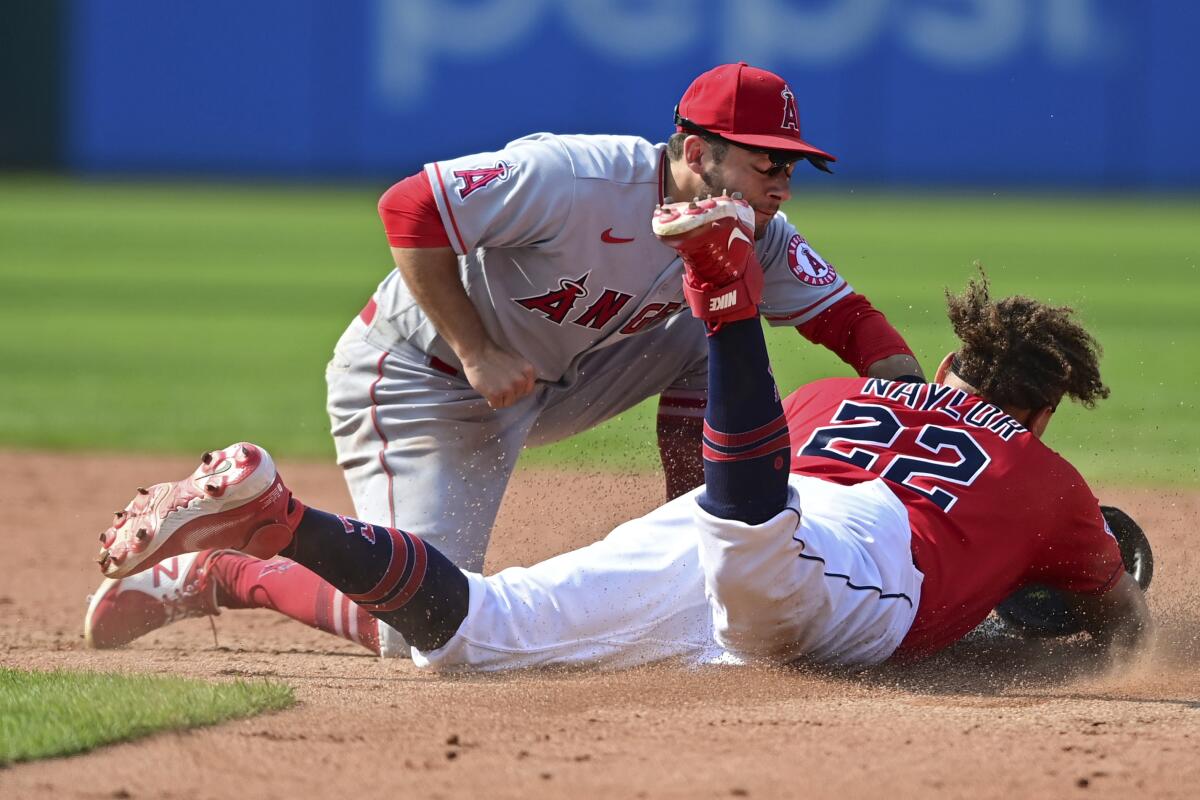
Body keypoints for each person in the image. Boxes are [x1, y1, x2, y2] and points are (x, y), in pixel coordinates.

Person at [86, 195, 1148, 669]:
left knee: (470, 633)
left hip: (737, 512)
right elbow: (1117, 619)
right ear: (1044, 411)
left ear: (954, 365)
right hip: (836, 555)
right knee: (753, 545)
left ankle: (266, 529)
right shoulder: (1043, 473)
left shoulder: (840, 401)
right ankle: (725, 297)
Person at [330, 61, 921, 582]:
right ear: (695, 152)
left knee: (713, 320)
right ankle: (256, 552)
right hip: (423, 378)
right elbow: (410, 205)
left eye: (791, 167)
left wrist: (933, 411)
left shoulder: (753, 234)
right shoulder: (575, 178)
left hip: (549, 383)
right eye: (766, 163)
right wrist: (476, 350)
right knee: (424, 618)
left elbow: (850, 322)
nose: (782, 187)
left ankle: (699, 545)